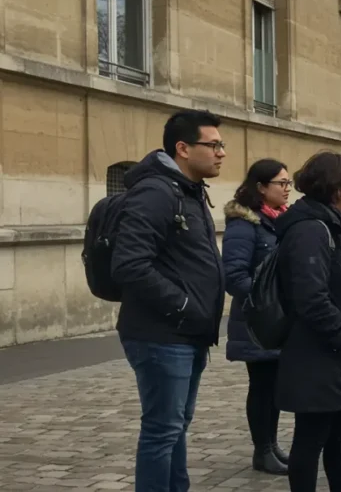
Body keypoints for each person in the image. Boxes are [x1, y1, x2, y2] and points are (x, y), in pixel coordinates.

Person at [110, 110, 226, 492]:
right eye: (213, 145)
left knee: (175, 427)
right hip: (161, 334)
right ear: (183, 148)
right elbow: (129, 264)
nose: (222, 153)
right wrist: (184, 306)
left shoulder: (189, 191)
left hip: (188, 332)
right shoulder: (157, 192)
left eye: (221, 145)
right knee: (162, 430)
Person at [274, 151, 341, 492]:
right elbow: (311, 298)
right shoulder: (310, 230)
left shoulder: (332, 225)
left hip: (336, 358)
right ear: (335, 187)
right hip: (318, 356)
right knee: (311, 440)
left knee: (339, 440)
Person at [222, 159, 291, 475]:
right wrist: (268, 300)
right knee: (262, 386)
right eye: (281, 183)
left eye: (288, 183)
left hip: (278, 319)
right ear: (261, 187)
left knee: (274, 386)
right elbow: (234, 276)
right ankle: (262, 451)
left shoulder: (279, 220)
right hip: (257, 321)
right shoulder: (244, 223)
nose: (287, 189)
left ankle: (271, 445)